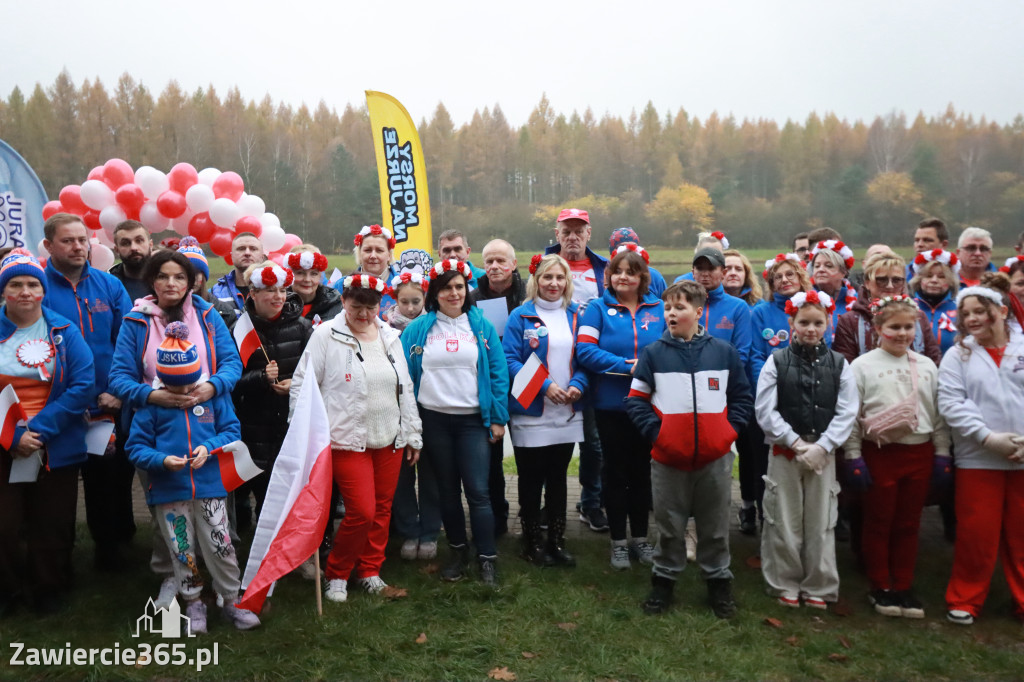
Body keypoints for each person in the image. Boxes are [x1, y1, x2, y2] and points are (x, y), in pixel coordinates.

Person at [110, 249, 242, 604]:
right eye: (163, 276)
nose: (171, 283)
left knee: (215, 511)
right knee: (165, 510)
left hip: (207, 422)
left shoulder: (208, 315)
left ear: (192, 281)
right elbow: (119, 376)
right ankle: (173, 575)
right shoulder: (135, 321)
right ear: (152, 280)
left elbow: (231, 362)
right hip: (155, 427)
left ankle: (222, 581)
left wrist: (211, 387)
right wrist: (153, 397)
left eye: (179, 277)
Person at [291, 273, 422, 603]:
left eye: (371, 307)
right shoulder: (325, 335)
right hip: (347, 439)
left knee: (381, 510)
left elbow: (404, 387)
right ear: (344, 302)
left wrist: (412, 433)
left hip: (389, 437)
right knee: (360, 511)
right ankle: (337, 572)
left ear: (381, 305)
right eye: (356, 307)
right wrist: (302, 434)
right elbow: (302, 385)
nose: (364, 314)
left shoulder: (390, 336)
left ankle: (370, 570)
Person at [626, 280, 752, 618]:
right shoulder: (653, 354)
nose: (671, 313)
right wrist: (658, 434)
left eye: (679, 308)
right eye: (667, 308)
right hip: (668, 459)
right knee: (669, 525)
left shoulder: (724, 352)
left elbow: (741, 397)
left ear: (698, 312)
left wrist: (728, 432)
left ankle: (718, 582)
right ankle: (663, 581)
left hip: (715, 458)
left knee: (714, 526)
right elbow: (636, 401)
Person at [126, 323, 260, 632]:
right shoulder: (152, 407)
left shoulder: (211, 397)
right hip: (169, 491)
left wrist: (208, 448)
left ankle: (230, 598)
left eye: (189, 384)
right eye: (176, 387)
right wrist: (160, 460)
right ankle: (194, 601)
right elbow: (135, 447)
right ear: (163, 381)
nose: (184, 394)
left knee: (220, 543)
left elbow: (231, 432)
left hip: (210, 487)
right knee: (181, 548)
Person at [402, 259, 509, 586]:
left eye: (459, 286)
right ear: (435, 291)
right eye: (447, 287)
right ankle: (458, 553)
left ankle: (487, 557)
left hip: (472, 422)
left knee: (478, 491)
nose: (454, 293)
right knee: (447, 491)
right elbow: (404, 378)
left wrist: (498, 418)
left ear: (466, 290)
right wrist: (410, 426)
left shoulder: (481, 326)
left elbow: (498, 372)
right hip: (433, 420)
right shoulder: (418, 328)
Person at [843, 295, 951, 618]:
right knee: (879, 519)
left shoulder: (927, 366)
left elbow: (939, 414)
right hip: (879, 453)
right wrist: (852, 455)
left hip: (919, 452)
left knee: (908, 521)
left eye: (908, 327)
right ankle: (880, 584)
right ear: (878, 328)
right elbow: (852, 414)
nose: (902, 334)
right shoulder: (861, 366)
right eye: (894, 327)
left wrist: (942, 451)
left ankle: (904, 583)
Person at [0, 250, 94, 615]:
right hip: (4, 444)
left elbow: (82, 385)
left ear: (43, 290)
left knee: (52, 523)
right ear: (3, 291)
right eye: (15, 284)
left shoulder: (63, 331)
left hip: (54, 441)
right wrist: (10, 437)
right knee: (4, 526)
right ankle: (7, 590)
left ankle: (48, 587)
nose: (25, 291)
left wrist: (36, 431)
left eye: (33, 284)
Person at [41, 213, 134, 571]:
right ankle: (55, 558)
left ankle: (109, 550)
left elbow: (128, 342)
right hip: (57, 407)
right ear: (49, 246)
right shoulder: (38, 287)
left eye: (83, 240)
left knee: (107, 483)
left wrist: (117, 392)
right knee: (57, 487)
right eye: (68, 241)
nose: (79, 247)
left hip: (105, 405)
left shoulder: (108, 286)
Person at [754, 290, 857, 609]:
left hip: (822, 456)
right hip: (786, 452)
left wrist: (824, 445)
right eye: (803, 322)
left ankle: (819, 584)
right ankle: (784, 581)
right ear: (792, 323)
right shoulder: (776, 361)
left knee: (821, 520)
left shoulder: (840, 364)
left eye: (817, 323)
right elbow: (765, 409)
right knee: (782, 519)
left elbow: (847, 410)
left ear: (828, 323)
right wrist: (795, 442)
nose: (811, 329)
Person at [937, 275, 1024, 626]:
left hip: (1022, 459)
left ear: (1001, 311)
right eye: (966, 313)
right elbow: (952, 402)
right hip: (978, 458)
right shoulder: (958, 355)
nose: (972, 319)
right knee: (977, 533)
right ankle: (966, 598)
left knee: (1022, 533)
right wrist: (987, 437)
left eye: (980, 311)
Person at [577, 247, 665, 569]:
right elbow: (585, 351)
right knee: (614, 472)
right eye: (617, 271)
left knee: (642, 473)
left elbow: (671, 347)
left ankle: (640, 540)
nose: (623, 277)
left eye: (630, 271)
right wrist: (625, 367)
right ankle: (617, 542)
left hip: (649, 406)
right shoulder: (597, 309)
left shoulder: (659, 308)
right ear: (609, 277)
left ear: (643, 277)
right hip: (611, 405)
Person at [503, 254, 587, 567]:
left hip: (566, 410)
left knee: (558, 478)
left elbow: (585, 357)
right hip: (531, 410)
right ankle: (530, 542)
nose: (553, 284)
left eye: (559, 278)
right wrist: (545, 385)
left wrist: (578, 384)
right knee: (530, 478)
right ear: (535, 281)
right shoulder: (520, 316)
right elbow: (510, 359)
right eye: (547, 277)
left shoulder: (578, 315)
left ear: (567, 283)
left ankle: (556, 541)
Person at [231, 262, 313, 522]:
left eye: (282, 290)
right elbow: (229, 380)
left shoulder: (302, 328)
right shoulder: (238, 329)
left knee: (288, 494)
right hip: (253, 427)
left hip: (290, 425)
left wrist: (294, 385)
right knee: (259, 494)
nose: (278, 296)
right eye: (269, 290)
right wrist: (260, 377)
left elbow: (318, 373)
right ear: (252, 293)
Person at [544, 207, 609, 532]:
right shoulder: (544, 268)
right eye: (566, 231)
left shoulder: (603, 269)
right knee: (550, 443)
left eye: (578, 231)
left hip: (593, 366)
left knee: (593, 444)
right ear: (557, 234)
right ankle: (548, 505)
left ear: (588, 233)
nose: (572, 237)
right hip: (555, 366)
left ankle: (591, 502)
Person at [469, 238, 523, 536]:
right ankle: (496, 518)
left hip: (526, 384)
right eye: (489, 261)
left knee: (529, 456)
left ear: (513, 264)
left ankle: (531, 515)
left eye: (501, 260)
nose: (494, 266)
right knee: (491, 458)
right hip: (489, 387)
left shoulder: (528, 294)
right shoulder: (473, 298)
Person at [386, 271, 439, 561]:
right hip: (396, 410)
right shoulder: (384, 328)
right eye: (404, 302)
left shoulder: (434, 327)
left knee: (431, 472)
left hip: (429, 407)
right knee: (402, 474)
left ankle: (430, 530)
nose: (410, 308)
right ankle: (409, 529)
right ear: (395, 300)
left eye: (416, 301)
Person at [833, 252, 943, 367]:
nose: (890, 286)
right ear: (867, 283)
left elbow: (934, 362)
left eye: (896, 280)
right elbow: (846, 368)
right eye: (882, 280)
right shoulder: (850, 321)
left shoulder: (919, 317)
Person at [749, 254, 813, 385]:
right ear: (772, 285)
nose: (784, 280)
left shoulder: (815, 309)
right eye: (778, 277)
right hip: (772, 385)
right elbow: (756, 357)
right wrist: (765, 389)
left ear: (801, 278)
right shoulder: (760, 313)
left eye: (790, 274)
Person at [683, 247, 752, 366]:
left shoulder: (738, 307)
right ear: (693, 273)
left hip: (726, 378)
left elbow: (741, 354)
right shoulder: (683, 305)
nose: (705, 274)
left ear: (723, 273)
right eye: (700, 268)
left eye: (711, 268)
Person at [177, 237, 237, 331]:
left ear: (203, 276)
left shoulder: (225, 312)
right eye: (185, 273)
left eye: (196, 273)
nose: (191, 278)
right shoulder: (164, 309)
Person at [910, 249, 961, 356]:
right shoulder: (907, 307)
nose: (934, 280)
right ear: (919, 280)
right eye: (928, 276)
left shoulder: (961, 310)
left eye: (941, 277)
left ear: (950, 281)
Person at [339, 225, 397, 315]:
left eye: (379, 250)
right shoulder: (341, 285)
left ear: (389, 255)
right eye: (368, 250)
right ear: (359, 253)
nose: (373, 256)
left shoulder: (402, 286)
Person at [809, 240, 858, 338]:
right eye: (817, 266)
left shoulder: (858, 301)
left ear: (843, 272)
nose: (821, 270)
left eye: (828, 266)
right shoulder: (803, 299)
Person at [287, 246, 343, 326]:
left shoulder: (335, 304)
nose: (307, 279)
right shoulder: (278, 304)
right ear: (290, 274)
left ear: (320, 276)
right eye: (300, 273)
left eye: (314, 274)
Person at [211, 232, 265, 315]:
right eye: (241, 248)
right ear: (231, 256)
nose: (247, 253)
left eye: (253, 249)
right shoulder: (214, 293)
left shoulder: (276, 291)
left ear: (262, 257)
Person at [608, 228, 667, 297]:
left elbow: (665, 303)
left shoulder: (654, 276)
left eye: (633, 246)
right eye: (622, 247)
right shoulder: (605, 274)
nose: (628, 251)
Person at [109, 219, 153, 301]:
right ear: (117, 250)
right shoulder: (107, 285)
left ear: (150, 245)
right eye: (125, 243)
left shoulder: (170, 280)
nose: (133, 248)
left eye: (139, 241)